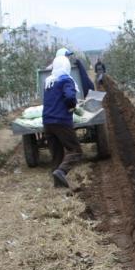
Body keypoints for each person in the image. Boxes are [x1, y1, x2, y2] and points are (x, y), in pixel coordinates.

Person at [42, 55, 82, 188]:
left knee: (57, 153)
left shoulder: (49, 82)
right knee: (75, 150)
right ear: (67, 66)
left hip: (47, 122)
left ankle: (58, 184)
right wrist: (71, 106)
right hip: (61, 121)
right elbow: (70, 96)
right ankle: (61, 171)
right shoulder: (66, 80)